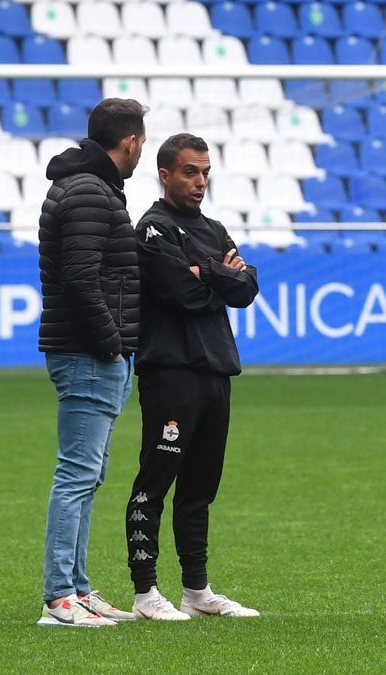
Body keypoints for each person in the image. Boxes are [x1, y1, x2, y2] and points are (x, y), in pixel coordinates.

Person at [125, 133, 260, 621]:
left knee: (201, 487)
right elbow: (181, 293)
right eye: (190, 172)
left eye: (205, 172)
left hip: (215, 371)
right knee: (155, 482)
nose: (200, 181)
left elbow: (247, 288)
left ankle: (197, 592)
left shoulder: (215, 227)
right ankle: (144, 594)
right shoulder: (153, 230)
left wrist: (208, 274)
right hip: (171, 372)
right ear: (164, 175)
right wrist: (214, 277)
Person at [37, 98, 147, 628]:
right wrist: (111, 343)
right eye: (142, 142)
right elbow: (80, 279)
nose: (142, 151)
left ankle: (76, 588)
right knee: (77, 474)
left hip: (91, 351)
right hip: (87, 353)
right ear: (130, 142)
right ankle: (59, 596)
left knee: (89, 473)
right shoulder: (88, 192)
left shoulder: (89, 188)